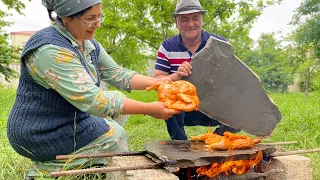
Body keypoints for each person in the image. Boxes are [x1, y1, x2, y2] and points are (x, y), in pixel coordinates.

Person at [6, 0, 178, 179]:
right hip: (41, 132)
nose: (97, 24)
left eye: (99, 16)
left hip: (67, 117)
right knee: (114, 134)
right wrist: (149, 109)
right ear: (66, 18)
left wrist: (160, 83)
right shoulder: (50, 50)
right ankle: (47, 169)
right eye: (90, 18)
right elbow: (95, 102)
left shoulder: (88, 44)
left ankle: (91, 159)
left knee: (118, 107)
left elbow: (119, 74)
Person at [153, 0, 240, 140]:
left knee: (240, 104)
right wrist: (177, 76)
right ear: (176, 22)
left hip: (215, 107)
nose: (191, 24)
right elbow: (156, 80)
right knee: (166, 99)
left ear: (201, 19)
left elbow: (237, 79)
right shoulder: (167, 47)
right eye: (184, 19)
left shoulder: (220, 44)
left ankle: (219, 138)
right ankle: (179, 143)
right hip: (183, 109)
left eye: (195, 18)